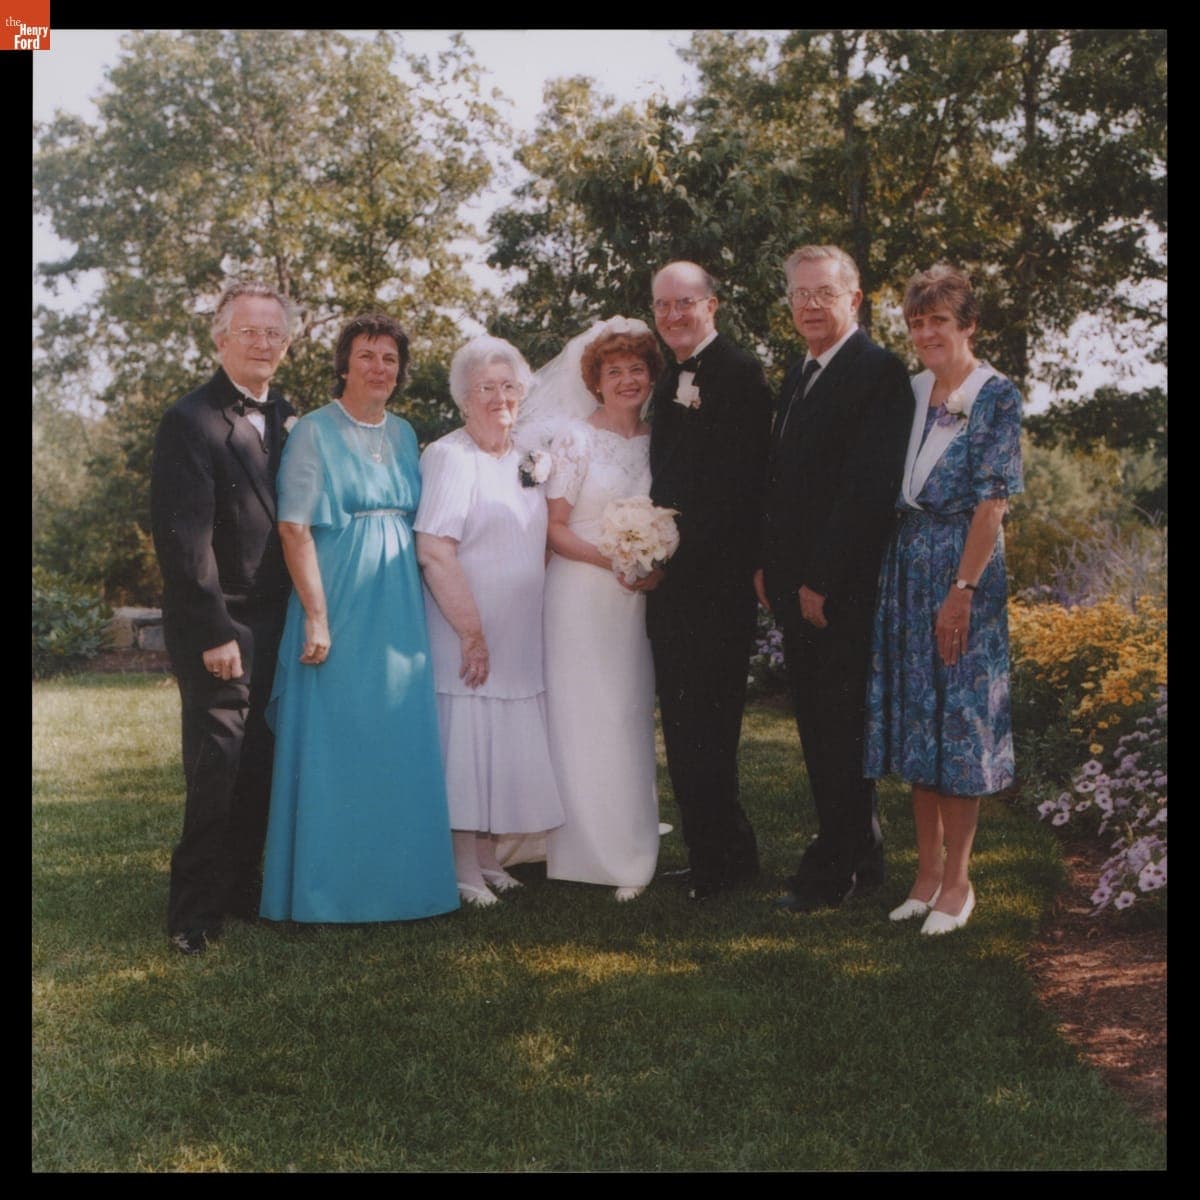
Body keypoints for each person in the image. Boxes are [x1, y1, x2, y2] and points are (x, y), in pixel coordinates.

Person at [258, 313, 458, 924]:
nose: (379, 367)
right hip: (338, 598)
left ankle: (402, 887)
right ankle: (328, 893)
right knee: (337, 738)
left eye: (390, 358)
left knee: (394, 736)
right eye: (366, 355)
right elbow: (293, 528)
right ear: (344, 364)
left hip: (397, 603)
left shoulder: (405, 432)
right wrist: (317, 618)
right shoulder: (313, 431)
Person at [866, 266, 1023, 934]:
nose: (926, 333)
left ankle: (958, 883)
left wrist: (961, 592)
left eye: (939, 321)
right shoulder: (912, 391)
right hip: (907, 565)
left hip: (964, 568)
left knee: (957, 721)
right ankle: (925, 875)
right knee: (918, 718)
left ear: (968, 325)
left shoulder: (995, 395)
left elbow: (993, 505)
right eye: (917, 322)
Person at [756, 245, 912, 914]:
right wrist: (768, 565)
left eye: (824, 292)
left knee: (837, 729)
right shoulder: (801, 371)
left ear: (855, 298)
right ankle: (863, 853)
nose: (810, 305)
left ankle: (833, 870)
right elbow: (783, 480)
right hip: (795, 582)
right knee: (821, 726)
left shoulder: (878, 371)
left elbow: (866, 490)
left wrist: (820, 580)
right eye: (800, 294)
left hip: (839, 586)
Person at [151, 280, 297, 955]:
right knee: (218, 763)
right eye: (249, 330)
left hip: (279, 620)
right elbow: (184, 543)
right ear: (220, 339)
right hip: (220, 621)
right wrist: (214, 633)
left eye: (274, 332)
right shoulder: (190, 419)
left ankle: (241, 887)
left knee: (261, 758)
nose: (263, 342)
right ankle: (193, 912)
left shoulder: (292, 417)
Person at [415, 337, 565, 907]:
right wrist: (471, 634)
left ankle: (485, 858)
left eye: (509, 386)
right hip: (465, 627)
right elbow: (435, 550)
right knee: (466, 742)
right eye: (486, 388)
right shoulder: (450, 457)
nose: (500, 397)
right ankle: (461, 867)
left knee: (496, 742)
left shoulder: (528, 456)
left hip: (517, 630)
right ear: (463, 398)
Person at [524, 317, 666, 901]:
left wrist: (653, 563)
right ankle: (580, 850)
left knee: (626, 715)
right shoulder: (575, 439)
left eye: (637, 369)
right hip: (580, 593)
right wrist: (614, 561)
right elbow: (554, 528)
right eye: (615, 372)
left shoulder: (658, 440)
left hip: (632, 605)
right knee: (582, 717)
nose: (627, 380)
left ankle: (628, 844)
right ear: (595, 381)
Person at [648, 262, 773, 901]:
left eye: (684, 303)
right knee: (683, 721)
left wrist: (673, 550)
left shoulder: (739, 373)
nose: (672, 315)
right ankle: (716, 851)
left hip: (715, 581)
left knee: (710, 726)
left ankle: (720, 863)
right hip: (672, 581)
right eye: (662, 305)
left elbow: (738, 486)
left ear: (711, 305)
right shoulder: (669, 376)